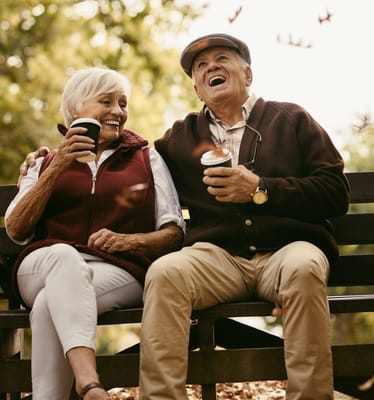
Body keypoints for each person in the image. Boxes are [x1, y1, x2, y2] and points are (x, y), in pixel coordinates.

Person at [20, 34, 350, 400]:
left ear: (248, 74)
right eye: (201, 67)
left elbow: (335, 192)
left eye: (222, 59)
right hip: (218, 258)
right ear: (197, 88)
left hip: (288, 250)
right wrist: (49, 158)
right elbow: (130, 156)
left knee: (305, 269)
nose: (212, 68)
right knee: (165, 273)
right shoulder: (181, 138)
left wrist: (261, 189)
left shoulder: (291, 119)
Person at [5, 67, 185, 400]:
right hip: (42, 265)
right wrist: (58, 164)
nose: (118, 111)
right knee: (63, 257)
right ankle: (89, 382)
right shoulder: (44, 163)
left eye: (123, 103)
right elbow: (16, 230)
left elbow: (173, 232)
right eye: (107, 101)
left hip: (118, 270)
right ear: (75, 109)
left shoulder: (147, 158)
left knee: (49, 304)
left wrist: (127, 241)